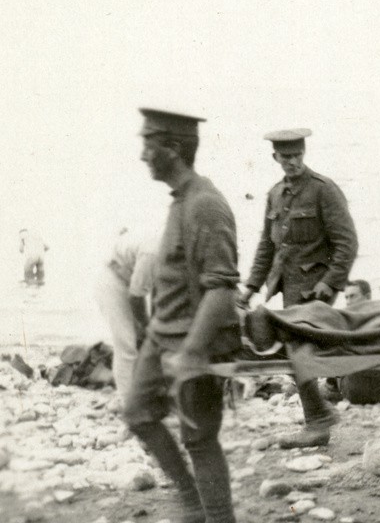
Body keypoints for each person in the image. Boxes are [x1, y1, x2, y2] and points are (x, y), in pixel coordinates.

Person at [122, 108, 241, 523]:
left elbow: (223, 289)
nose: (142, 156)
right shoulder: (181, 201)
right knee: (137, 413)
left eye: (147, 146)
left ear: (172, 149)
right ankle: (192, 503)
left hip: (195, 342)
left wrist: (192, 353)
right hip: (163, 336)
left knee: (199, 439)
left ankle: (219, 518)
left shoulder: (205, 205)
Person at [239, 128, 358, 447]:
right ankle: (320, 412)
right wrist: (249, 288)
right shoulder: (275, 193)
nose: (292, 162)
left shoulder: (323, 190)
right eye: (285, 157)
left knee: (296, 346)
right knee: (279, 344)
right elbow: (266, 245)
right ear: (275, 157)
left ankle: (317, 422)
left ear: (303, 155)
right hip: (286, 287)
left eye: (297, 156)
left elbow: (347, 243)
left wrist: (328, 282)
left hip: (315, 288)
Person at [94, 227, 158, 400]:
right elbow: (136, 297)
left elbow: (155, 293)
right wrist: (146, 325)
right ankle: (128, 402)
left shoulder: (171, 249)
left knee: (142, 339)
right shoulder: (154, 252)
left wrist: (152, 326)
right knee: (126, 344)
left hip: (130, 278)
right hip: (112, 280)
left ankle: (142, 391)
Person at [338, 279, 380, 404]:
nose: (348, 302)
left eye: (352, 296)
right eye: (346, 297)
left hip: (353, 394)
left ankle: (331, 389)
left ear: (368, 297)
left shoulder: (345, 322)